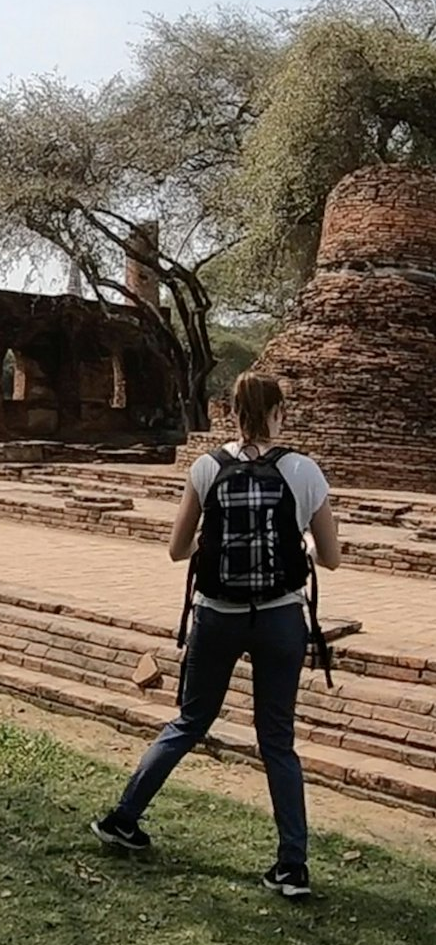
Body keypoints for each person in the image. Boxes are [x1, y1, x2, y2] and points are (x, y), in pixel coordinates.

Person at [91, 372, 342, 900]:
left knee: (190, 721)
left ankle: (123, 818)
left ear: (230, 412)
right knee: (277, 739)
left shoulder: (207, 468)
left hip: (217, 615)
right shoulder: (303, 470)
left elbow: (177, 550)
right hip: (281, 617)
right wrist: (300, 549)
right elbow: (332, 557)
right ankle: (292, 866)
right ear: (279, 412)